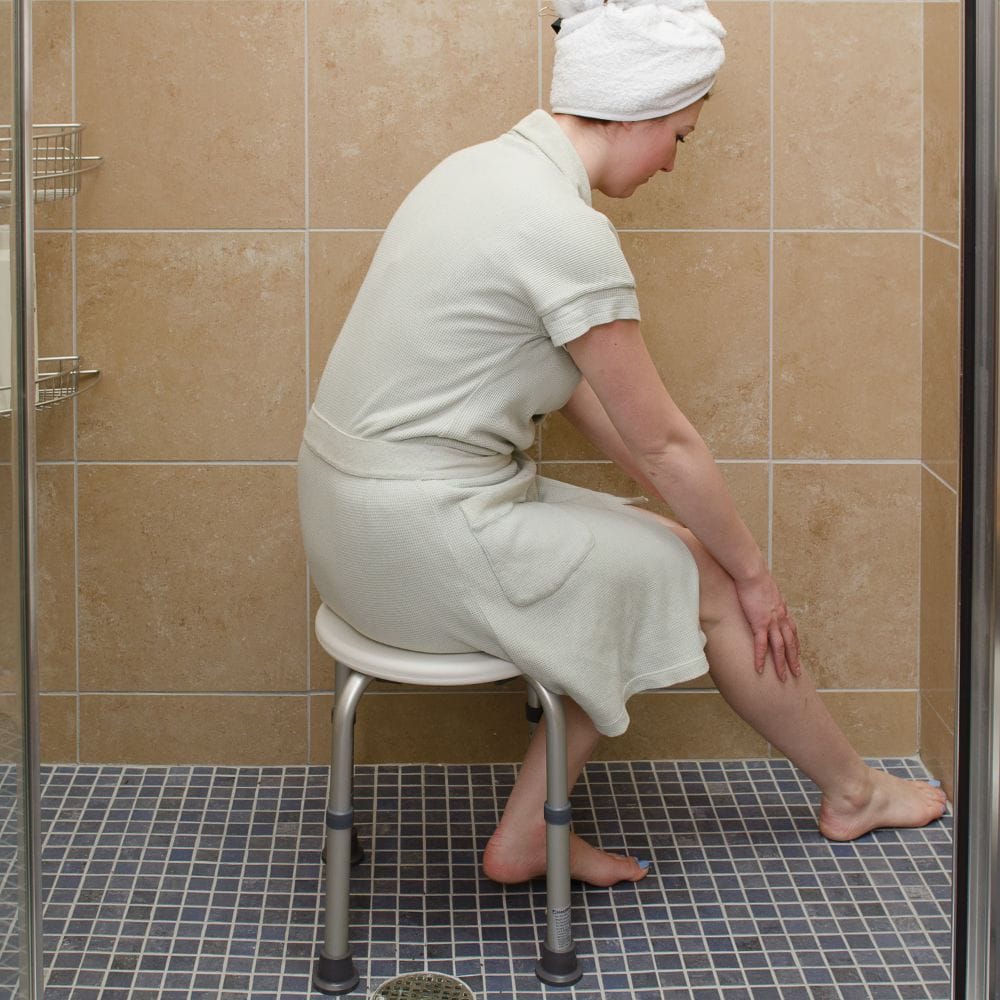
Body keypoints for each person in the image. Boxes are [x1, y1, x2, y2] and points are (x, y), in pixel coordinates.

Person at [298, 0, 947, 889]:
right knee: (696, 579)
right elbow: (668, 443)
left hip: (358, 523)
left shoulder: (479, 173)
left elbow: (602, 415)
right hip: (420, 533)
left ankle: (535, 833)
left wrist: (683, 518)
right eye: (680, 134)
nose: (675, 159)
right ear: (637, 112)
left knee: (665, 551)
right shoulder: (564, 230)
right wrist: (755, 578)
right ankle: (852, 791)